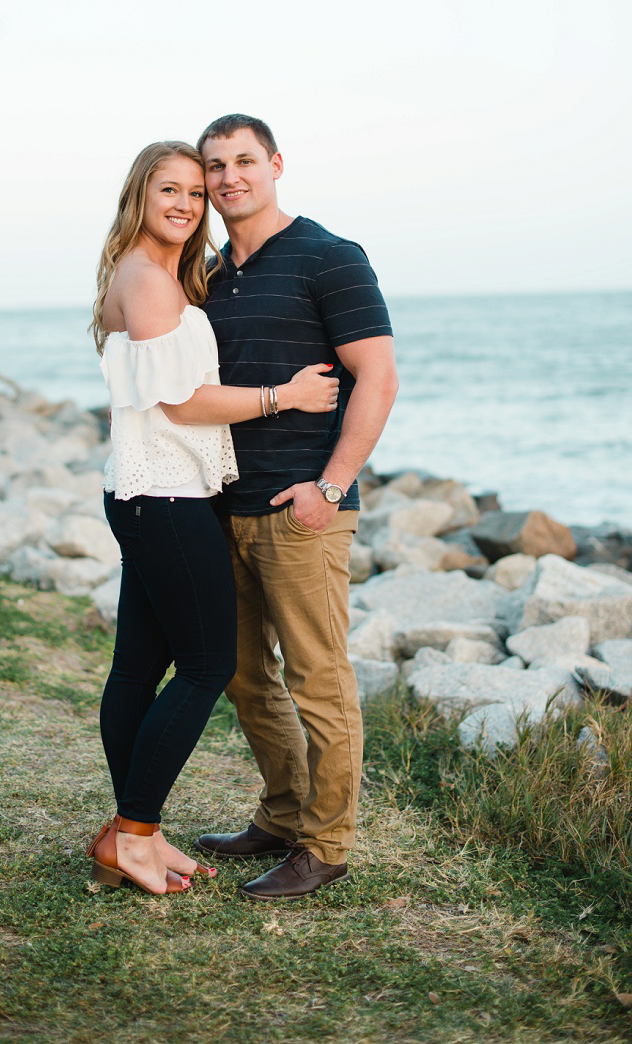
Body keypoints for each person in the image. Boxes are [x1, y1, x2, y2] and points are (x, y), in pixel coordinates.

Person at [85, 140, 340, 896]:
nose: (188, 204)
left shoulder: (145, 273)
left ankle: (135, 832)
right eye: (172, 189)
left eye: (197, 193)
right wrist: (283, 397)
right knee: (206, 667)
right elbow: (181, 402)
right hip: (165, 497)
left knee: (137, 665)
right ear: (141, 193)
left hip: (145, 489)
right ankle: (133, 833)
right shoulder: (149, 280)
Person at [194, 113, 399, 900]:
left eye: (244, 160)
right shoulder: (206, 275)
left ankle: (326, 844)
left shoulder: (330, 257)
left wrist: (332, 486)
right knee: (245, 676)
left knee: (319, 679)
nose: (228, 177)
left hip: (302, 510)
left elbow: (376, 378)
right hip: (222, 508)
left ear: (276, 164)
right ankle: (282, 815)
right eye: (215, 166)